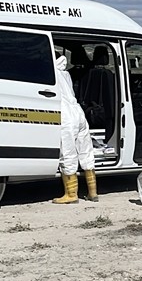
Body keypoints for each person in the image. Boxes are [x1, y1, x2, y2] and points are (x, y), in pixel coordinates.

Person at [52, 53, 97, 204]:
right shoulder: (66, 74)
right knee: (86, 150)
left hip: (65, 115)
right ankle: (93, 192)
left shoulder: (53, 74)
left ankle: (71, 194)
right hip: (78, 112)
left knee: (68, 153)